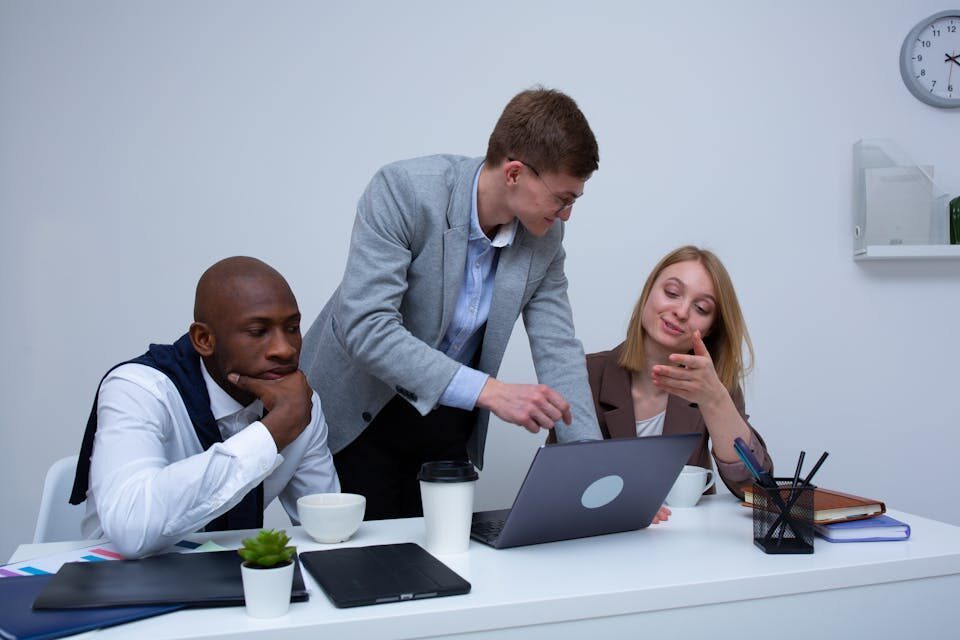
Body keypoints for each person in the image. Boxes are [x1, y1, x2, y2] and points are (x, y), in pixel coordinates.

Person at [300, 87, 603, 520]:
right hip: (359, 414)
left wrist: (592, 469)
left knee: (445, 565)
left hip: (447, 421)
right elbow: (366, 328)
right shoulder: (404, 191)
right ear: (514, 173)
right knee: (364, 572)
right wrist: (491, 391)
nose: (567, 214)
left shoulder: (545, 237)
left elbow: (558, 348)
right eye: (562, 198)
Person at [70, 257, 340, 558]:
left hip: (238, 584)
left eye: (292, 328)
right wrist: (272, 433)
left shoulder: (298, 403)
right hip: (119, 579)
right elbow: (132, 529)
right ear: (203, 339)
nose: (285, 348)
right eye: (257, 331)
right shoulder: (138, 389)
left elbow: (326, 523)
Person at [553, 246, 772, 515]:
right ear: (648, 293)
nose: (681, 312)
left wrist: (715, 400)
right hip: (600, 541)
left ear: (711, 327)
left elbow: (755, 489)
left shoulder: (714, 384)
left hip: (683, 546)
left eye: (701, 308)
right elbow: (554, 482)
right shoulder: (583, 374)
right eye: (671, 293)